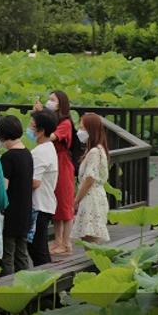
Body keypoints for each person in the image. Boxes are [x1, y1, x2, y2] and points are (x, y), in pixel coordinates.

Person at [36, 91, 76, 256]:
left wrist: (40, 115)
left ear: (61, 103)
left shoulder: (65, 123)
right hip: (53, 160)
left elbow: (50, 136)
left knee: (65, 204)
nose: (49, 102)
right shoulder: (55, 119)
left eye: (53, 100)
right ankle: (58, 241)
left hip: (63, 163)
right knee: (55, 203)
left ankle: (66, 243)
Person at [0, 116, 33, 275]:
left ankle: (8, 287)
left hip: (11, 212)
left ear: (2, 134)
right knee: (22, 253)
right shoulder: (27, 154)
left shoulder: (8, 157)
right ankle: (25, 288)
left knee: (8, 254)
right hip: (25, 210)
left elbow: (3, 188)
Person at [72, 113, 111, 244]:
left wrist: (76, 199)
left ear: (91, 130)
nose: (79, 131)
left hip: (91, 198)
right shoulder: (96, 149)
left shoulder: (94, 152)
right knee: (89, 239)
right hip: (94, 196)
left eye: (82, 128)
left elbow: (90, 178)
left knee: (90, 240)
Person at [29, 110, 59, 266]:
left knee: (38, 250)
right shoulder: (49, 147)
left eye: (32, 126)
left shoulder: (40, 152)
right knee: (39, 249)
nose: (29, 129)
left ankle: (48, 287)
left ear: (41, 131)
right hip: (45, 203)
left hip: (39, 205)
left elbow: (35, 182)